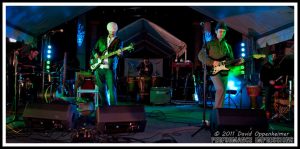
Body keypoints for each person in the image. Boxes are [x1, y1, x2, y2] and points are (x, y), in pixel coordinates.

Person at [197, 22, 243, 109]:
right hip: (214, 71)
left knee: (223, 92)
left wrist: (237, 62)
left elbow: (231, 61)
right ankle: (216, 112)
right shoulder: (209, 44)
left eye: (224, 31)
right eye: (220, 31)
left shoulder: (228, 46)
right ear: (216, 31)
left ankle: (219, 114)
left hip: (225, 71)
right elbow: (200, 55)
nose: (222, 33)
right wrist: (212, 62)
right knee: (220, 89)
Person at [90, 22, 123, 106]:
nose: (112, 32)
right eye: (111, 30)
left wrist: (120, 53)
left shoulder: (119, 41)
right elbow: (94, 49)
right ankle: (105, 108)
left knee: (112, 89)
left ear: (116, 30)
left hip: (110, 68)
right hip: (99, 67)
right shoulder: (101, 39)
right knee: (101, 89)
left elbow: (120, 54)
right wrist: (95, 55)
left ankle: (113, 109)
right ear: (108, 30)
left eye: (114, 31)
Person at [260, 52, 282, 117]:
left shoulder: (277, 65)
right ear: (269, 57)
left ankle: (278, 113)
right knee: (268, 99)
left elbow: (279, 75)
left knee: (278, 98)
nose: (274, 57)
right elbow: (262, 77)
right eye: (273, 56)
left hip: (276, 85)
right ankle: (268, 113)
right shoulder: (265, 66)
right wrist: (269, 81)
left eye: (275, 56)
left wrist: (279, 80)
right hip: (268, 85)